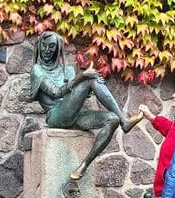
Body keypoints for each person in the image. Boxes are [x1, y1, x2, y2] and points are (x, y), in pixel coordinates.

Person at [30, 31, 143, 181]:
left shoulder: (68, 70)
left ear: (57, 49)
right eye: (44, 45)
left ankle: (83, 165)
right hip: (55, 117)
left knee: (112, 119)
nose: (47, 50)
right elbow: (56, 92)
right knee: (89, 79)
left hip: (73, 116)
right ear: (39, 45)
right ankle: (125, 121)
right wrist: (84, 77)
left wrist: (93, 85)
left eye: (52, 46)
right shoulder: (37, 70)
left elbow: (74, 95)